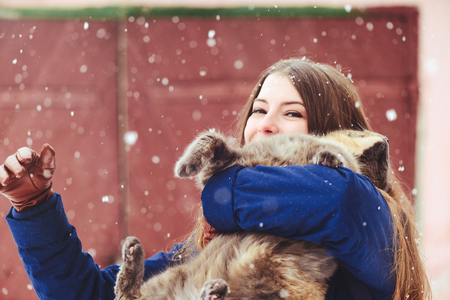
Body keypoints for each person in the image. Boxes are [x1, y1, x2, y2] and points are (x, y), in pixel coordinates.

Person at [0, 57, 430, 300]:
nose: (265, 125)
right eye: (259, 109)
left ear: (332, 131)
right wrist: (34, 209)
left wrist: (222, 185)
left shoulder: (371, 214)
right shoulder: (215, 242)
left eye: (292, 112)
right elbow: (93, 297)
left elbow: (336, 202)